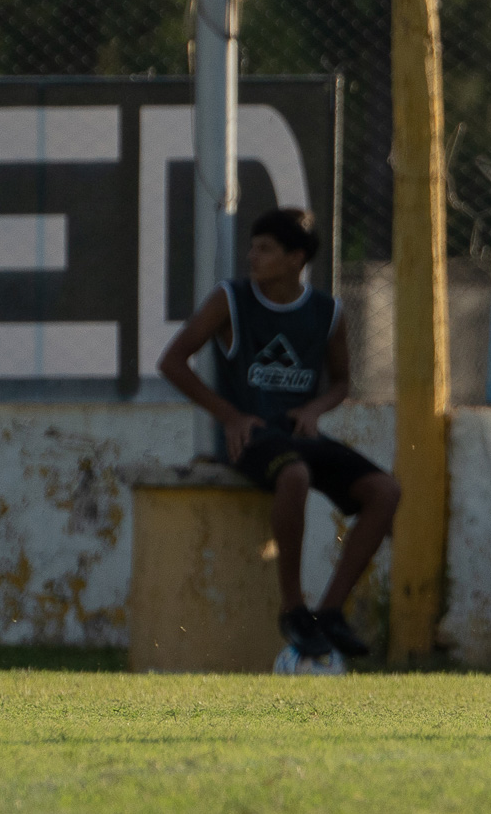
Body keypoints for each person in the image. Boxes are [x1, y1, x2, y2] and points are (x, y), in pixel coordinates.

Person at [157, 207, 401, 662]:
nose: (253, 256)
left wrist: (314, 409)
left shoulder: (328, 312)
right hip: (251, 438)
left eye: (265, 249)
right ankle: (293, 609)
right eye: (252, 247)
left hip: (299, 436)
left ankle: (330, 612)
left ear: (296, 258)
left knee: (385, 491)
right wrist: (229, 416)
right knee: (295, 476)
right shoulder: (230, 299)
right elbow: (172, 362)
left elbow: (341, 382)